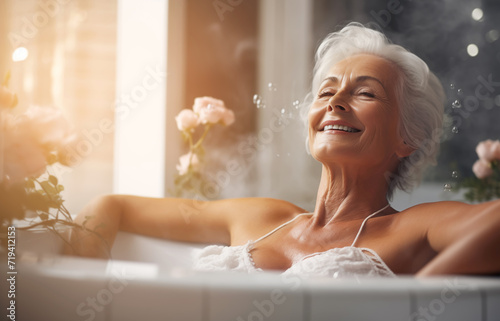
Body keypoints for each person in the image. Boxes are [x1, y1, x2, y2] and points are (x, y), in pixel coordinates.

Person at [70, 23, 500, 277]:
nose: (335, 101)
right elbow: (112, 206)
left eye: (365, 93)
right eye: (327, 91)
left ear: (406, 138)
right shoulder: (261, 217)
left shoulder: (410, 228)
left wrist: (416, 301)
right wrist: (76, 293)